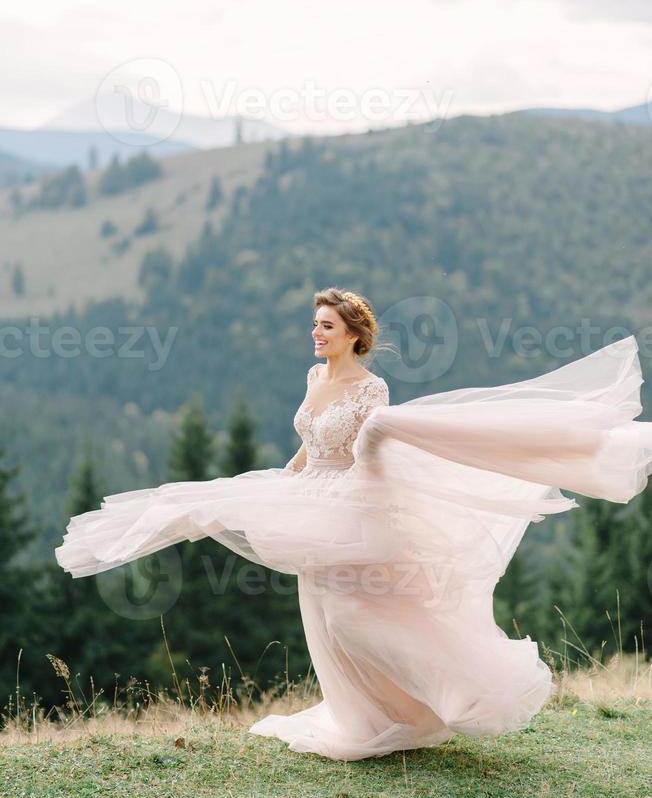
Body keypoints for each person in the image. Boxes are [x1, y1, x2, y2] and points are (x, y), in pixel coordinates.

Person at [55, 287, 652, 761]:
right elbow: (309, 445)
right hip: (308, 498)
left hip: (355, 506)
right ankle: (362, 718)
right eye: (314, 324)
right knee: (318, 610)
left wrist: (348, 492)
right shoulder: (316, 379)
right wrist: (280, 481)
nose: (315, 334)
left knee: (352, 613)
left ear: (353, 336)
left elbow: (374, 454)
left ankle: (454, 692)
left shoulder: (374, 389)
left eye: (326, 326)